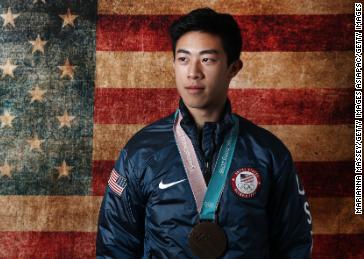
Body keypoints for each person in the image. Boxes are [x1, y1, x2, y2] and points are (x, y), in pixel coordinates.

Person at [96, 7, 312, 259]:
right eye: (183, 59)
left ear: (233, 68)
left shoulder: (268, 153)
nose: (193, 72)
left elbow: (294, 245)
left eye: (207, 59)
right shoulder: (141, 153)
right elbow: (115, 246)